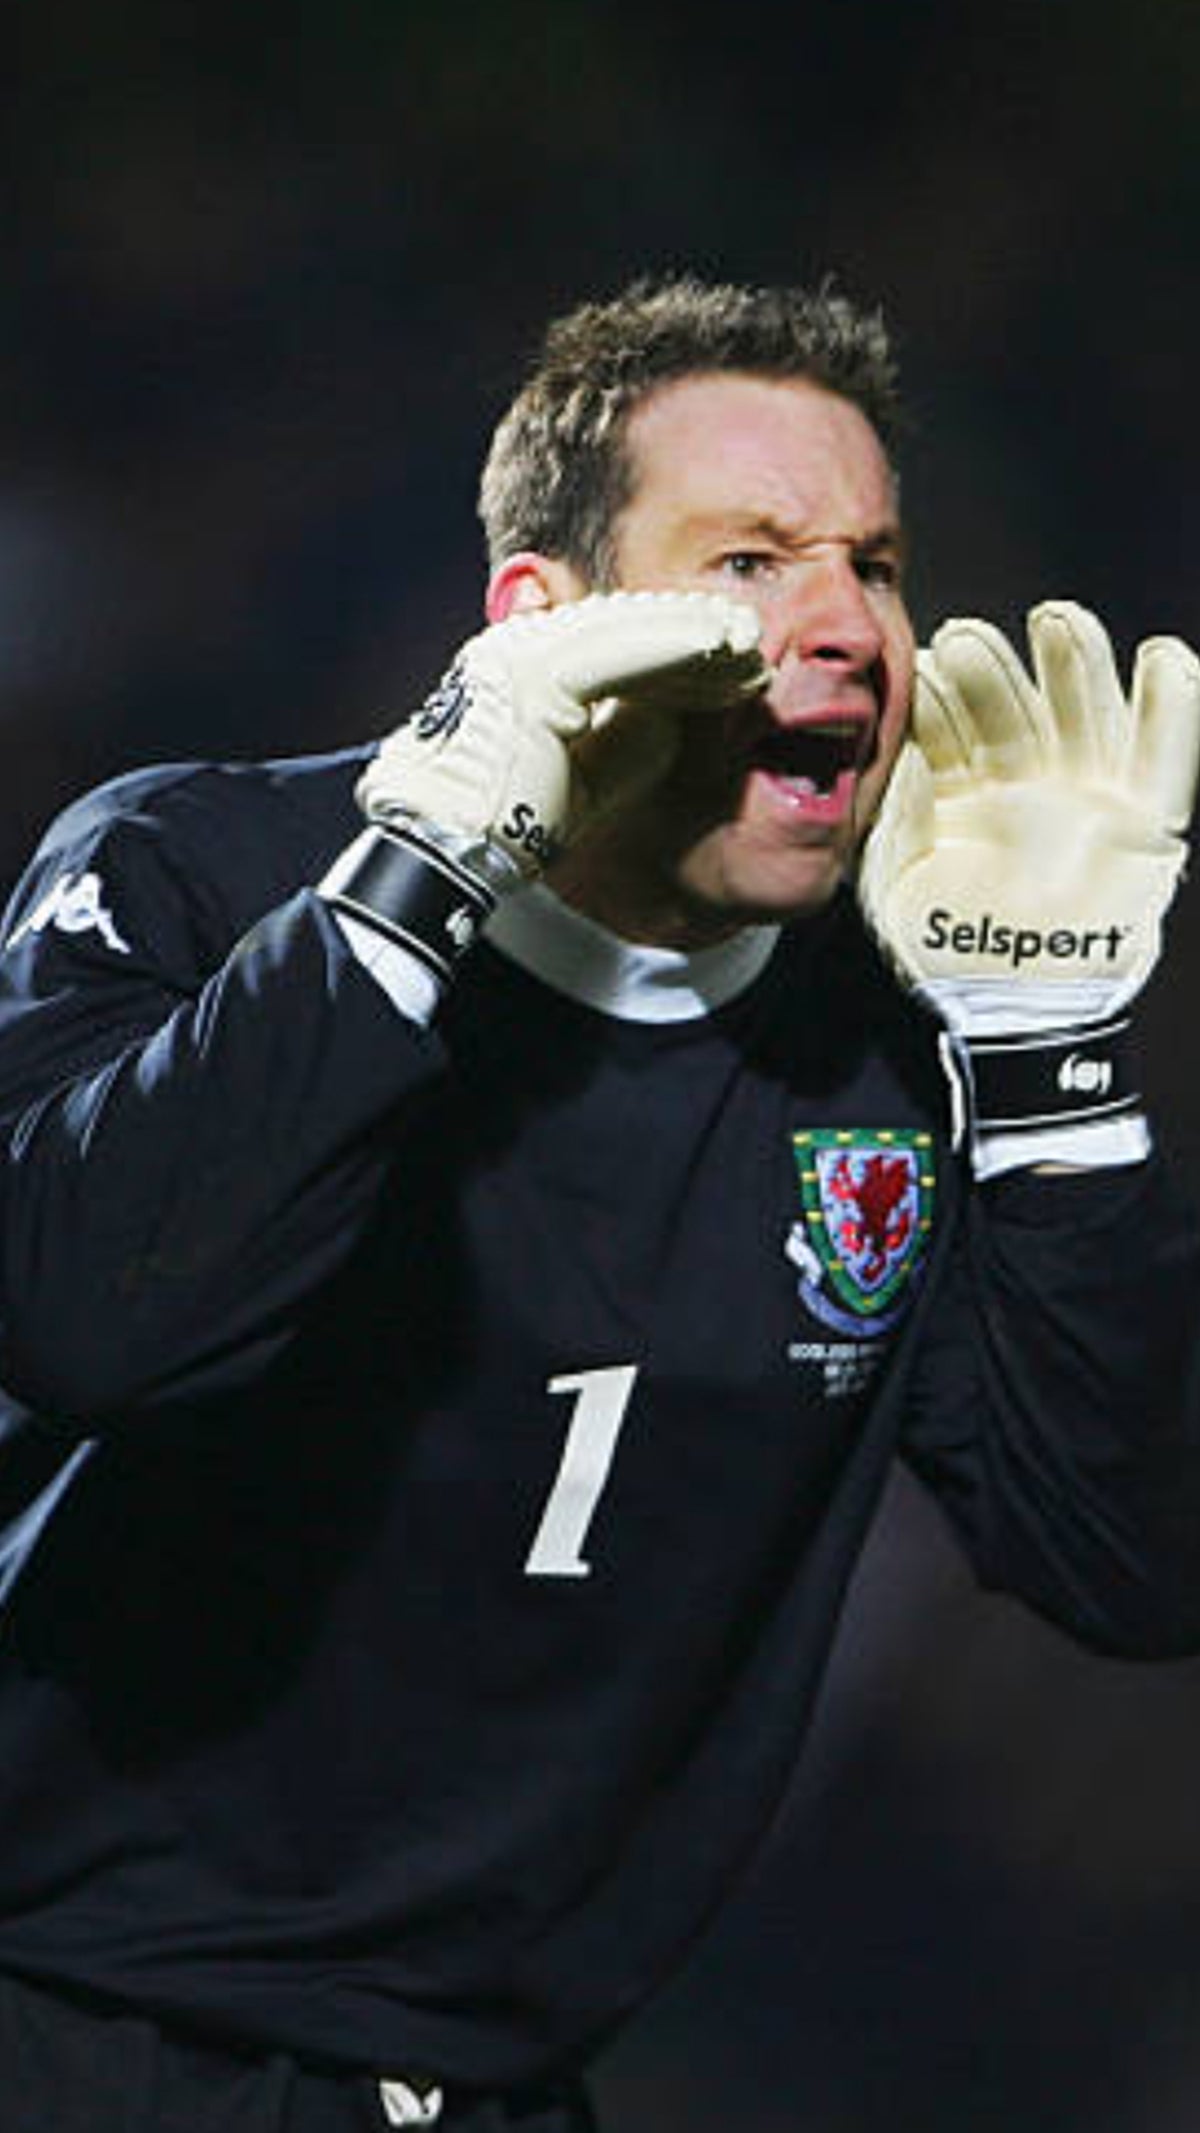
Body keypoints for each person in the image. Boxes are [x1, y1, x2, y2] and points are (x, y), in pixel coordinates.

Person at [0, 272, 1196, 2133]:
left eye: (876, 565)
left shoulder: (902, 1039)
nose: (846, 624)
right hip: (56, 2025)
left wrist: (1054, 1070)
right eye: (750, 562)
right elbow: (85, 1320)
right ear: (539, 624)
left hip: (486, 2082)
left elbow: (1132, 1561)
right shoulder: (204, 866)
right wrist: (418, 875)